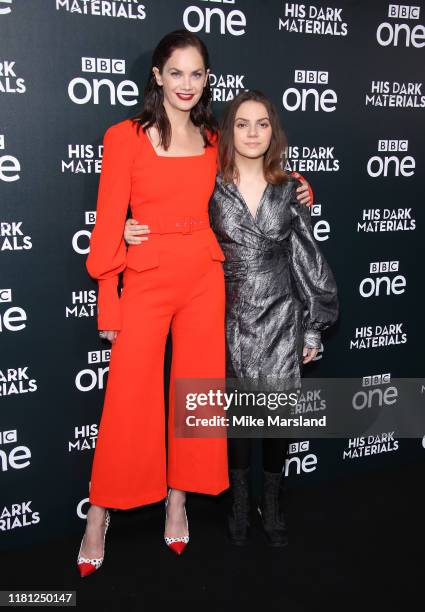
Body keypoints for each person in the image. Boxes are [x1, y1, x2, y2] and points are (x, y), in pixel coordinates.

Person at [124, 90, 338, 548]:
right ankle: (240, 504)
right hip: (225, 311)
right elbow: (170, 208)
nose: (253, 132)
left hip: (282, 311)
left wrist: (313, 325)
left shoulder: (288, 187)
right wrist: (130, 226)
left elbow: (306, 257)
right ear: (228, 131)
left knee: (278, 418)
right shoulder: (210, 180)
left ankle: (273, 504)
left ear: (273, 132)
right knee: (239, 418)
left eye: (262, 124)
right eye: (242, 123)